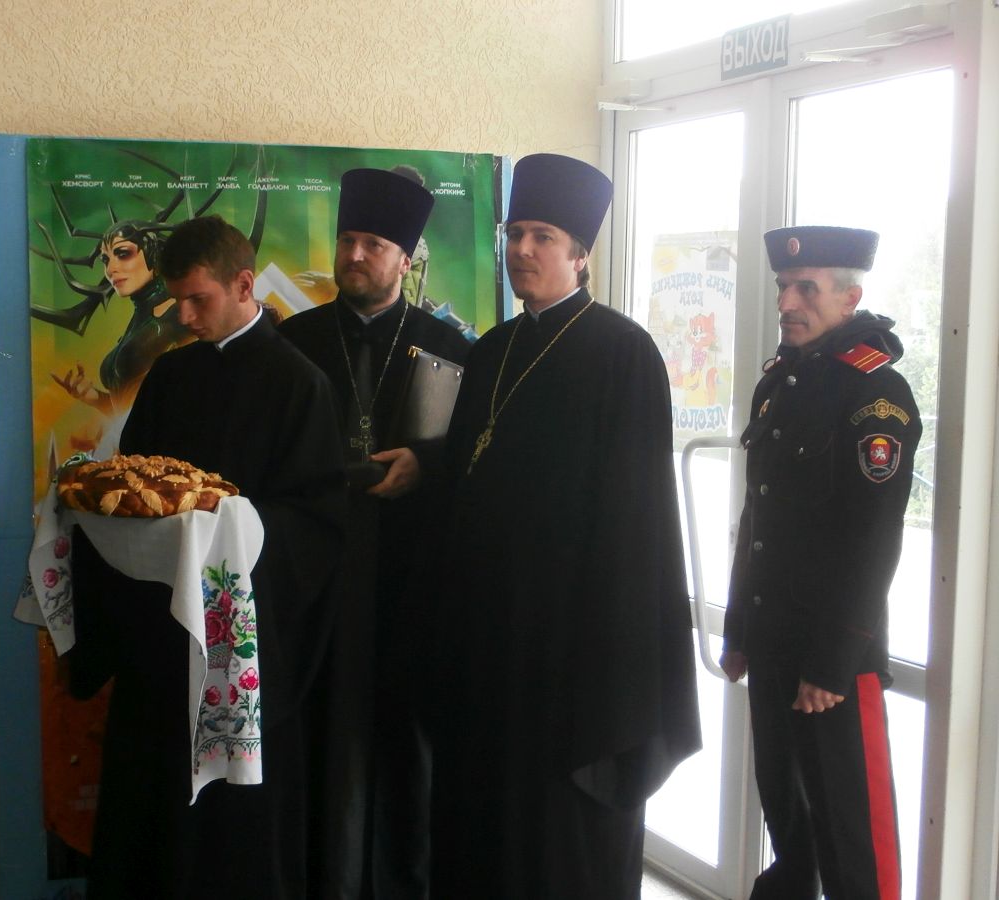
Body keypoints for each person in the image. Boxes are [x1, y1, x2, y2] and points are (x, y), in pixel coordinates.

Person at [431, 153, 701, 898]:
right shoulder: (492, 350)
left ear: (581, 254)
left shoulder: (623, 352)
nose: (521, 249)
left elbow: (638, 520)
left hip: (573, 649)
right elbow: (469, 467)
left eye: (542, 236)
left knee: (560, 844)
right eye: (514, 233)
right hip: (491, 642)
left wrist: (609, 652)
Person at [65, 214, 346, 900]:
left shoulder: (300, 384)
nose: (185, 317)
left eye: (199, 300)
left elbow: (316, 522)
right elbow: (136, 480)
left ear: (244, 285)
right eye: (177, 301)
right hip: (160, 630)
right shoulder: (171, 375)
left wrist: (230, 524)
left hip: (242, 635)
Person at [278, 167, 470, 899]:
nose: (354, 255)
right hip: (315, 582)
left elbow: (475, 457)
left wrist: (427, 463)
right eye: (347, 240)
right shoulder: (291, 342)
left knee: (403, 753)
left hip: (409, 582)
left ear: (406, 259)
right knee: (315, 742)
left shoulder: (450, 348)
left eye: (374, 244)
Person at [720, 226, 920, 900]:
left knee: (853, 842)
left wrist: (832, 662)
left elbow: (874, 539)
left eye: (807, 288)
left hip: (832, 661)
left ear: (850, 298)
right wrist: (740, 630)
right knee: (791, 824)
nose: (787, 302)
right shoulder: (781, 383)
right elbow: (759, 521)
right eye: (784, 287)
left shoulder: (876, 394)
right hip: (774, 644)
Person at [51, 219, 192, 415]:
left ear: (153, 253)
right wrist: (94, 397)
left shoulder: (183, 316)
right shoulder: (141, 318)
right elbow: (129, 411)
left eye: (123, 254)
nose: (110, 270)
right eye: (105, 260)